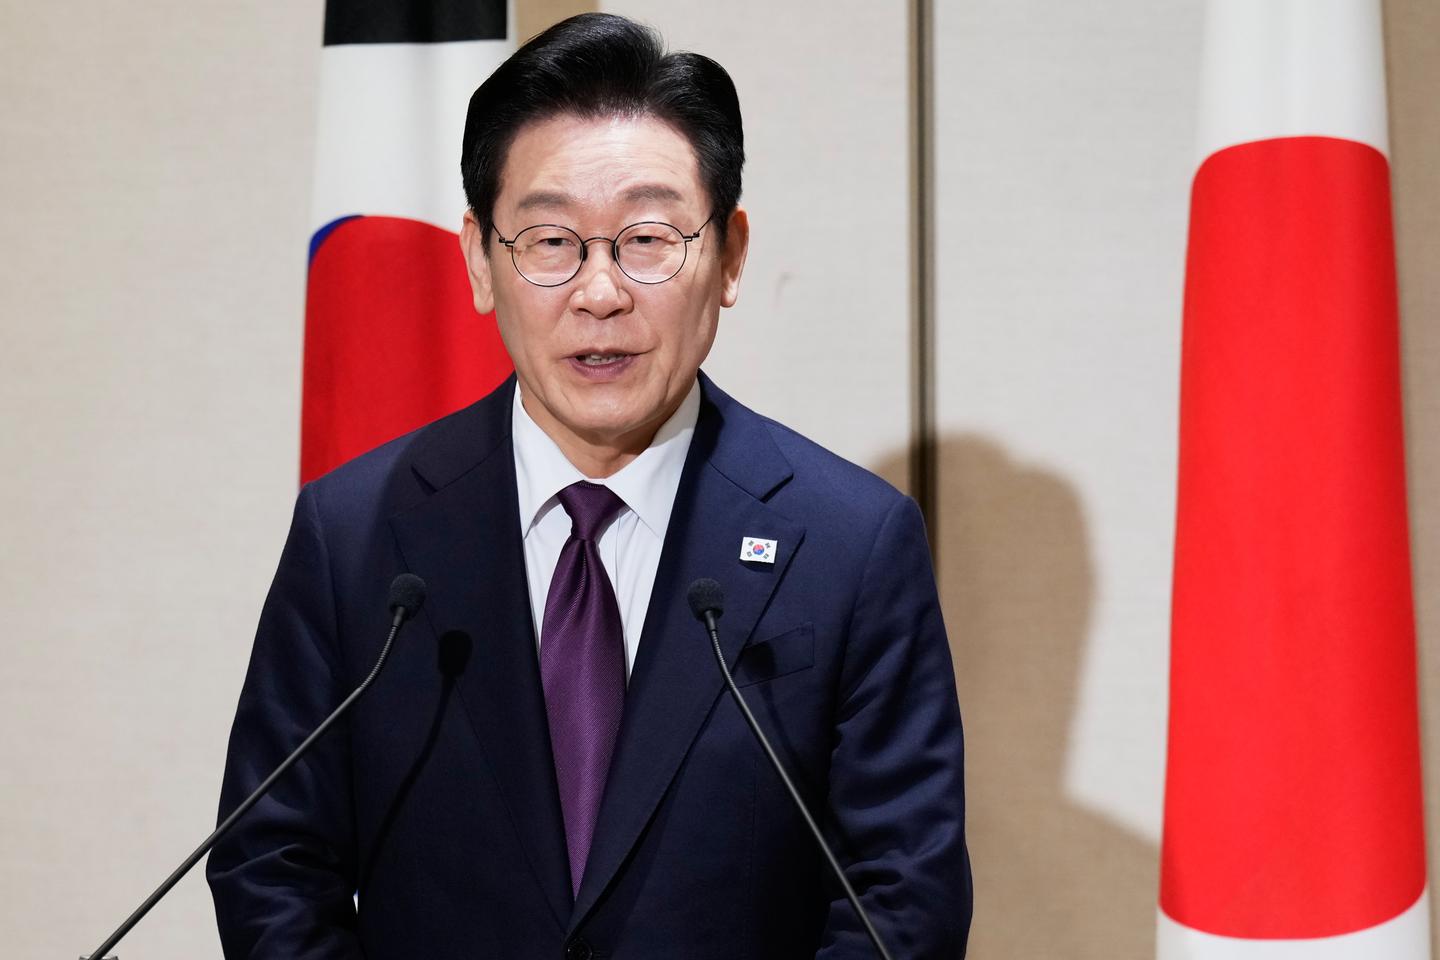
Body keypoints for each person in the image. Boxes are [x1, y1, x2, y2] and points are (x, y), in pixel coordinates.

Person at [208, 13, 971, 959]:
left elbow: (902, 897)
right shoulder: (356, 533)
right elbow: (272, 864)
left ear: (730, 256)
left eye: (647, 238)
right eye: (549, 240)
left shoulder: (852, 544)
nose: (599, 292)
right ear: (479, 260)